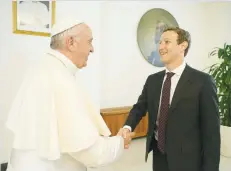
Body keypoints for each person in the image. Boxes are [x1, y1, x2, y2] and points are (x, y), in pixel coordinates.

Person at [6, 17, 134, 171]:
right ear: (71, 43)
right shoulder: (60, 78)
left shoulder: (42, 66)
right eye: (89, 42)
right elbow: (91, 152)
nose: (92, 49)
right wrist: (120, 141)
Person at [120, 27, 220, 171]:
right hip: (159, 155)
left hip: (188, 160)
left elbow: (211, 134)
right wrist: (127, 127)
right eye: (160, 43)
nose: (161, 47)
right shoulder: (153, 80)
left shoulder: (203, 82)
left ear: (182, 46)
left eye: (166, 42)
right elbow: (140, 107)